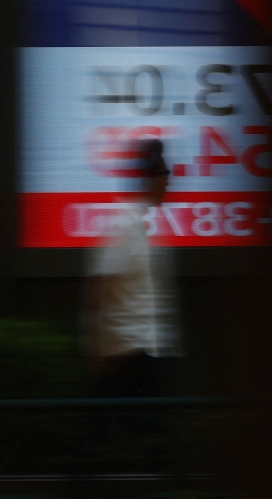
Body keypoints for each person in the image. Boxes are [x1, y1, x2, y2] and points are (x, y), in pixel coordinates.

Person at [86, 138, 182, 399]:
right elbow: (102, 288)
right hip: (127, 354)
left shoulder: (143, 227)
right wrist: (103, 347)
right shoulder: (124, 225)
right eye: (165, 174)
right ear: (150, 177)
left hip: (143, 351)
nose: (169, 181)